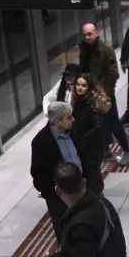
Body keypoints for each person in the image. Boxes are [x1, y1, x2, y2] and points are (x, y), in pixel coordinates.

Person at [31, 102, 92, 242]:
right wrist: (53, 195)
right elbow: (37, 174)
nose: (73, 120)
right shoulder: (41, 142)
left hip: (82, 190)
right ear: (58, 121)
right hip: (60, 198)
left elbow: (83, 156)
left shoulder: (74, 131)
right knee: (65, 233)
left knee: (86, 227)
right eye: (69, 117)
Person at [79, 24, 129, 166]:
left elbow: (113, 73)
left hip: (103, 94)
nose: (87, 37)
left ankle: (127, 151)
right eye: (85, 35)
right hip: (88, 93)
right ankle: (104, 148)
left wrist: (105, 93)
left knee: (113, 122)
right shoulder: (84, 49)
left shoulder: (106, 50)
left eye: (90, 34)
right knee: (96, 122)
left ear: (96, 33)